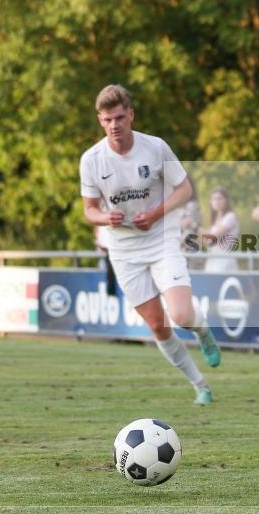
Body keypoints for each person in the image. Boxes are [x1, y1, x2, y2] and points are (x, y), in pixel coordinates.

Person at [79, 84, 221, 405]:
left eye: (119, 117)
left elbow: (184, 190)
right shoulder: (91, 160)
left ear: (130, 115)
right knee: (158, 325)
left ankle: (202, 331)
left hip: (161, 238)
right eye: (107, 120)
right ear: (100, 120)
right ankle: (200, 385)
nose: (114, 125)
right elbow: (89, 210)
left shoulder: (155, 147)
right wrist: (105, 218)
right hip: (124, 250)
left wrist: (156, 214)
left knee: (181, 315)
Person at [202, 187, 240, 273]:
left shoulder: (230, 216)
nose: (216, 202)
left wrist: (195, 226)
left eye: (219, 198)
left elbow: (212, 238)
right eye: (214, 199)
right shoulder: (215, 220)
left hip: (225, 259)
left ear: (226, 200)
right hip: (213, 258)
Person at [178, 176, 204, 270]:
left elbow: (189, 231)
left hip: (189, 252)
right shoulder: (176, 207)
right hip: (179, 251)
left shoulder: (192, 205)